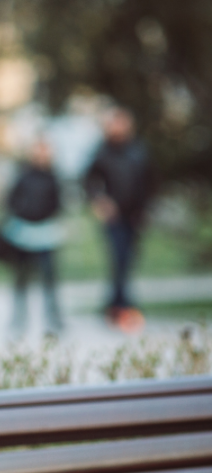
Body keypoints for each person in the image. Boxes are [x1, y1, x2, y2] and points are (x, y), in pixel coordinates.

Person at [84, 107, 154, 333]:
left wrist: (146, 209)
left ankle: (113, 306)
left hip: (135, 216)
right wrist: (100, 200)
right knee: (119, 258)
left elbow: (150, 182)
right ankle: (124, 307)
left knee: (128, 260)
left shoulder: (139, 151)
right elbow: (88, 181)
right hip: (114, 217)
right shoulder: (102, 152)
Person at [1, 139, 65, 338]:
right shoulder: (22, 175)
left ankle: (53, 320)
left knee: (49, 279)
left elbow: (59, 203)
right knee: (21, 278)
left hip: (46, 233)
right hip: (24, 233)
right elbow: (10, 200)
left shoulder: (54, 177)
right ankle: (18, 320)